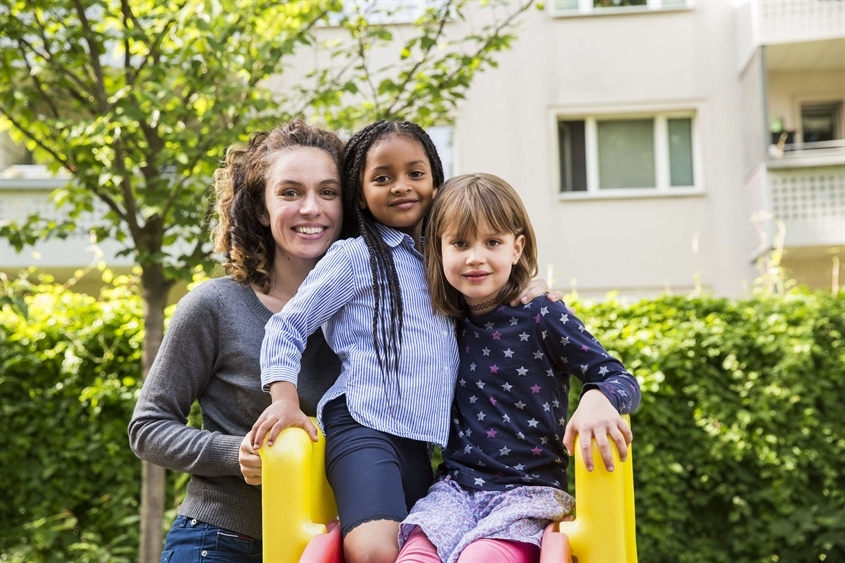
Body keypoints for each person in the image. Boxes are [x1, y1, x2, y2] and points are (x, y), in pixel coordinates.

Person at [249, 121, 558, 563]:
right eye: (382, 178)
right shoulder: (354, 257)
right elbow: (287, 326)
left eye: (415, 173)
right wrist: (283, 399)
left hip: (423, 443)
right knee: (377, 549)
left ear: (436, 181)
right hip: (362, 423)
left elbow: (489, 299)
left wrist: (530, 287)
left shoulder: (443, 261)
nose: (401, 186)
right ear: (360, 191)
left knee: (419, 551)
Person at [394, 173, 642, 563]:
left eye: (492, 242)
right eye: (460, 243)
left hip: (528, 494)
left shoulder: (542, 313)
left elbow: (619, 377)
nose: (475, 256)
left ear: (517, 247)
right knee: (413, 557)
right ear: (437, 251)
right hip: (455, 491)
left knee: (481, 559)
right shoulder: (442, 323)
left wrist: (598, 398)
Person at [127, 118, 344, 562]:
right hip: (220, 541)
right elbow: (147, 428)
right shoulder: (214, 306)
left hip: (329, 546)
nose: (311, 208)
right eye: (289, 192)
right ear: (262, 209)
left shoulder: (367, 317)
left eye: (328, 191)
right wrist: (236, 453)